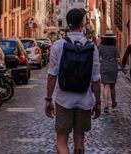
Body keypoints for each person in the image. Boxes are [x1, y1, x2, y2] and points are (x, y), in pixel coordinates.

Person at [45, 8, 101, 154]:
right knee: (80, 140)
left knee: (62, 140)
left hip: (64, 99)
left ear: (68, 24)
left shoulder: (58, 45)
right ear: (82, 24)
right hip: (84, 99)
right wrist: (98, 102)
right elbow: (95, 79)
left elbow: (52, 76)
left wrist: (48, 99)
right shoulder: (92, 48)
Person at [99, 30, 122, 113]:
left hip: (104, 67)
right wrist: (122, 68)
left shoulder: (101, 47)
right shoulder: (114, 47)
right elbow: (118, 60)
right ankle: (113, 102)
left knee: (105, 86)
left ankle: (105, 105)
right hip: (113, 67)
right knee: (112, 86)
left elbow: (97, 57)